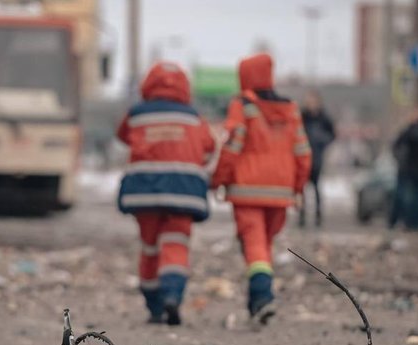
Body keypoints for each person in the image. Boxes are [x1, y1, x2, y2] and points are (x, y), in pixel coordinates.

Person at [211, 53, 311, 326]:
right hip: (281, 193)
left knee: (255, 246)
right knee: (264, 247)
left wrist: (219, 179)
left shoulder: (242, 105)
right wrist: (298, 187)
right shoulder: (290, 109)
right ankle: (256, 303)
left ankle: (262, 297)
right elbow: (303, 152)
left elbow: (232, 147)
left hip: (247, 191)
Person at [116, 62, 215, 325]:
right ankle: (172, 294)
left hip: (144, 193)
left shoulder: (137, 114)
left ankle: (154, 305)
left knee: (149, 248)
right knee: (175, 245)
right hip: (183, 193)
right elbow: (208, 147)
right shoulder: (193, 116)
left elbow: (123, 135)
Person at [299, 90, 336, 228]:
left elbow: (332, 134)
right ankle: (302, 216)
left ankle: (318, 216)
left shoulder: (324, 118)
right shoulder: (302, 117)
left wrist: (322, 142)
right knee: (302, 189)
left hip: (317, 157)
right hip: (303, 157)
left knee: (316, 188)